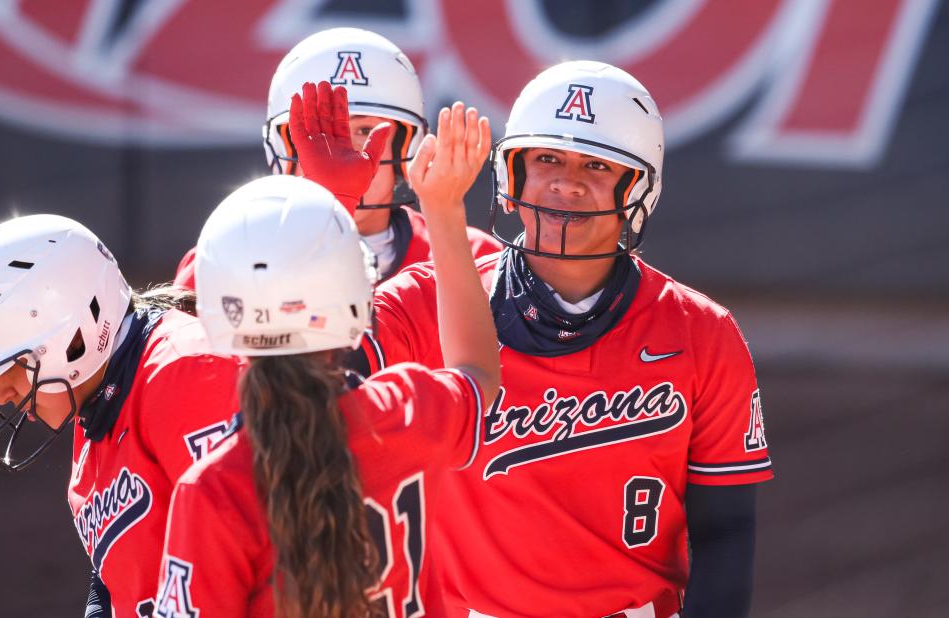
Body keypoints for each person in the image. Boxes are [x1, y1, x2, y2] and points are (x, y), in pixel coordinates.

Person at [337, 61, 774, 617]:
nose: (567, 181)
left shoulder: (703, 333)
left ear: (638, 189)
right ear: (510, 178)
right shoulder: (425, 300)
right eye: (546, 159)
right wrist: (326, 205)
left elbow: (726, 532)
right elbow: (310, 369)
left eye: (596, 164)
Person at [153, 93, 499, 617]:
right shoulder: (407, 407)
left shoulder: (214, 489)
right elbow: (477, 372)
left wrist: (325, 203)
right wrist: (444, 209)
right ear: (360, 298)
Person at [0, 215, 244, 617]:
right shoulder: (96, 407)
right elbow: (117, 569)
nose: (2, 395)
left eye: (13, 368)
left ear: (73, 335)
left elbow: (257, 551)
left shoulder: (187, 374)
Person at [173, 27, 499, 289]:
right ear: (283, 147)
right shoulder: (224, 257)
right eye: (319, 132)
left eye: (365, 131)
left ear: (404, 147)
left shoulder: (472, 257)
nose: (344, 152)